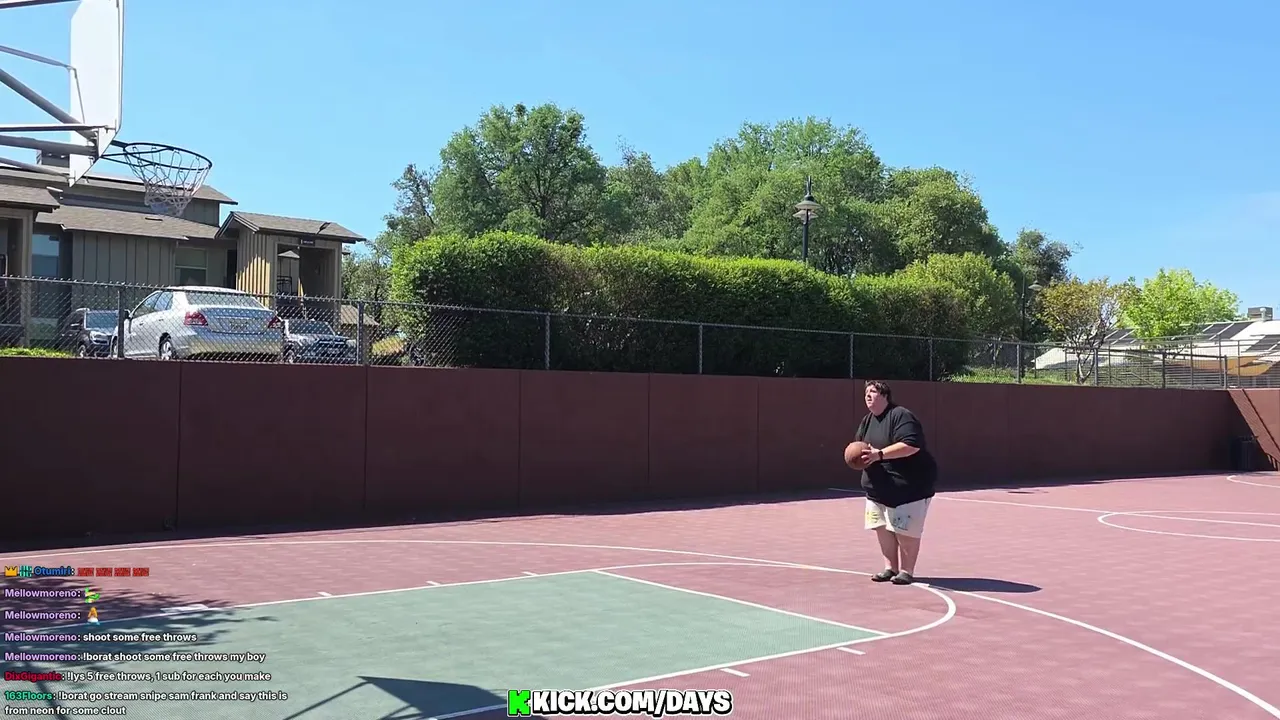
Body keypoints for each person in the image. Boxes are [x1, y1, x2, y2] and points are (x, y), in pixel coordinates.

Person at [852, 380, 938, 585]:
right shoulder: (867, 420)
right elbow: (860, 446)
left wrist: (879, 454)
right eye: (866, 392)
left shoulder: (901, 416)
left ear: (885, 396)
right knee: (882, 529)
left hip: (908, 489)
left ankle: (907, 571)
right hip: (877, 490)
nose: (868, 395)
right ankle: (890, 568)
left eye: (873, 391)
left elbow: (911, 445)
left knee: (905, 531)